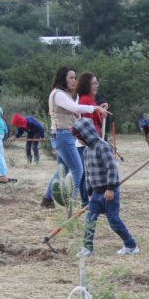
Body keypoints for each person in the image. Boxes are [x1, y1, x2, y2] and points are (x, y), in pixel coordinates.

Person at [41, 67, 107, 209]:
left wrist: (94, 108)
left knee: (62, 170)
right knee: (77, 169)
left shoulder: (62, 94)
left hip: (63, 135)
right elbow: (74, 108)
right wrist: (94, 108)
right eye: (71, 77)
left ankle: (47, 199)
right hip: (63, 135)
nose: (74, 81)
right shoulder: (58, 94)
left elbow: (74, 110)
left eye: (74, 77)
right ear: (62, 78)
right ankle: (71, 203)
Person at [72, 119, 139, 257]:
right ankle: (87, 248)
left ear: (86, 134)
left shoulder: (102, 146)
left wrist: (110, 188)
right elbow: (88, 172)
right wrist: (89, 191)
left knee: (113, 220)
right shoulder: (86, 151)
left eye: (79, 138)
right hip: (96, 193)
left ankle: (131, 245)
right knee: (90, 220)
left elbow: (112, 167)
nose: (79, 141)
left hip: (109, 191)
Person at [76, 72, 109, 206]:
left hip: (91, 138)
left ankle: (89, 201)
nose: (97, 86)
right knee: (87, 172)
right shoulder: (86, 99)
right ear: (87, 85)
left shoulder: (88, 99)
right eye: (94, 83)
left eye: (97, 83)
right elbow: (88, 121)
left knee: (88, 171)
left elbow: (95, 118)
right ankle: (86, 202)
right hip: (88, 140)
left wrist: (100, 110)